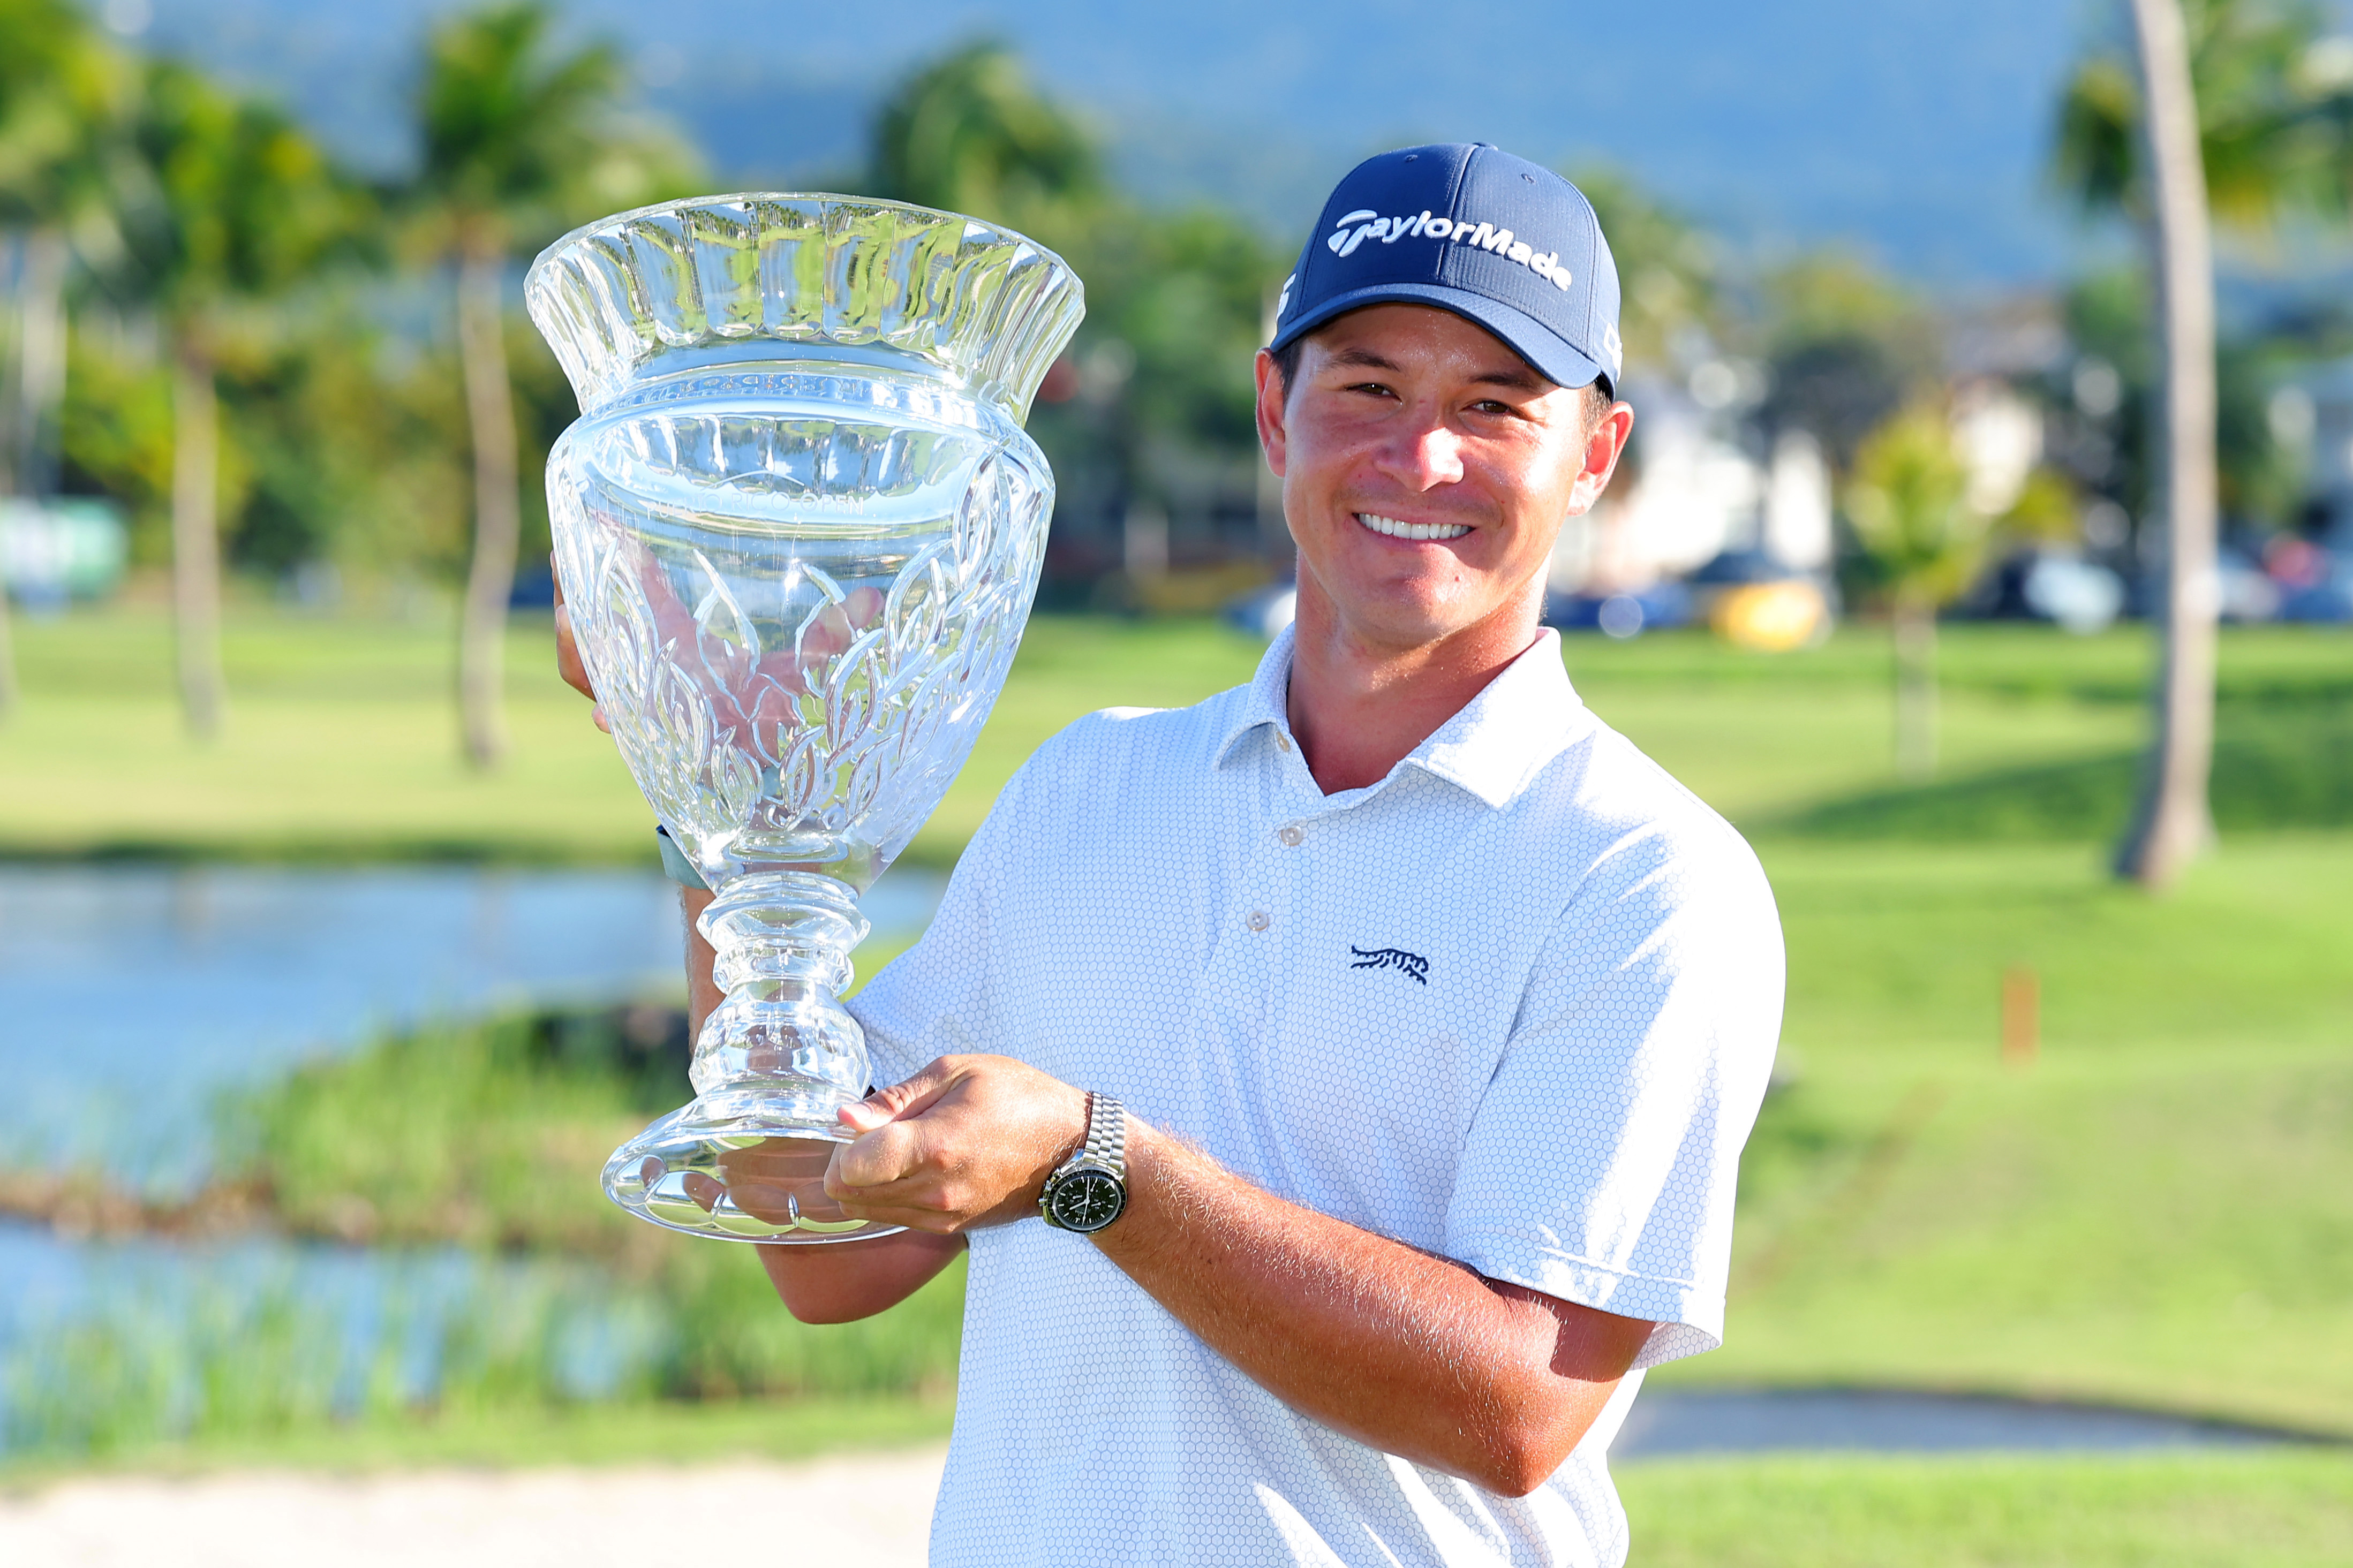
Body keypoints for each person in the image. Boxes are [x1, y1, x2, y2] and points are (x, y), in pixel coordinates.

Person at [558, 142, 1783, 1568]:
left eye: (1493, 407)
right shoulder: (1088, 787)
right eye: (1369, 389)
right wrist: (723, 804)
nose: (1420, 457)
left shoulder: (1642, 876)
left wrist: (1097, 1168)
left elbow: (1516, 1404)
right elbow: (826, 1249)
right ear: (1276, 412)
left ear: (1595, 456)